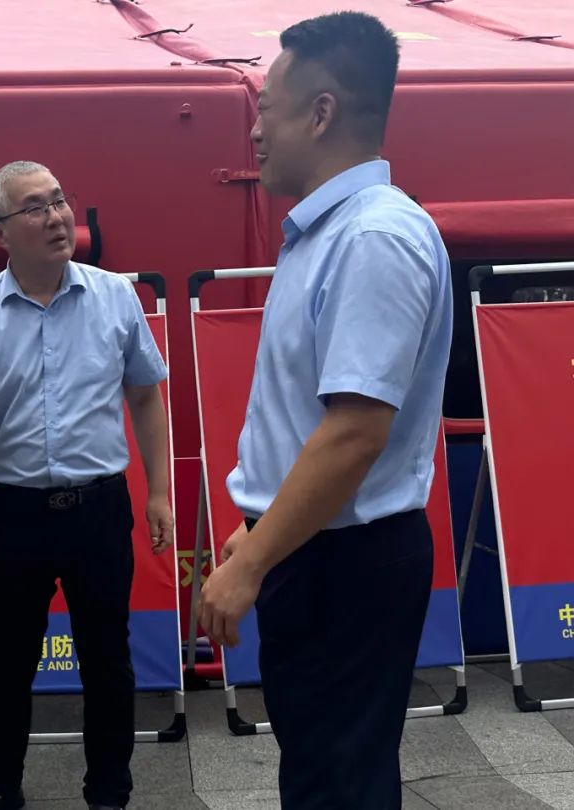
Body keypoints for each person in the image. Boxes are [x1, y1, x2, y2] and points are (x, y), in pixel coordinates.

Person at [196, 12, 452, 809]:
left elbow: (354, 435)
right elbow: (316, 420)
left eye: (265, 109)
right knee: (322, 769)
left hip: (345, 566)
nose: (253, 131)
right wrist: (262, 531)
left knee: (337, 781)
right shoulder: (325, 233)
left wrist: (253, 562)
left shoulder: (373, 238)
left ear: (322, 112)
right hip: (317, 548)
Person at [0, 161, 174, 810]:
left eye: (60, 201)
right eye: (35, 207)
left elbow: (146, 397)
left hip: (99, 510)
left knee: (107, 659)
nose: (58, 217)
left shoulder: (115, 297)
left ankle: (109, 792)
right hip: (14, 514)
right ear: (0, 233)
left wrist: (158, 493)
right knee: (9, 660)